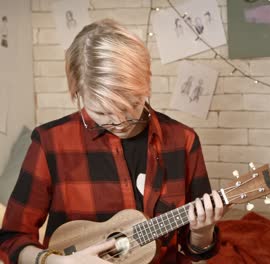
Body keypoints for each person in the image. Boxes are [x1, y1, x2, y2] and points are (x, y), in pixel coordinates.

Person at [0, 19, 223, 264]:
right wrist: (58, 262)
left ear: (146, 86)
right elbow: (12, 239)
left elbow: (196, 249)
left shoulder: (183, 141)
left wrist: (203, 232)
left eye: (130, 107)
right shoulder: (50, 142)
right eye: (103, 113)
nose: (119, 122)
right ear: (77, 93)